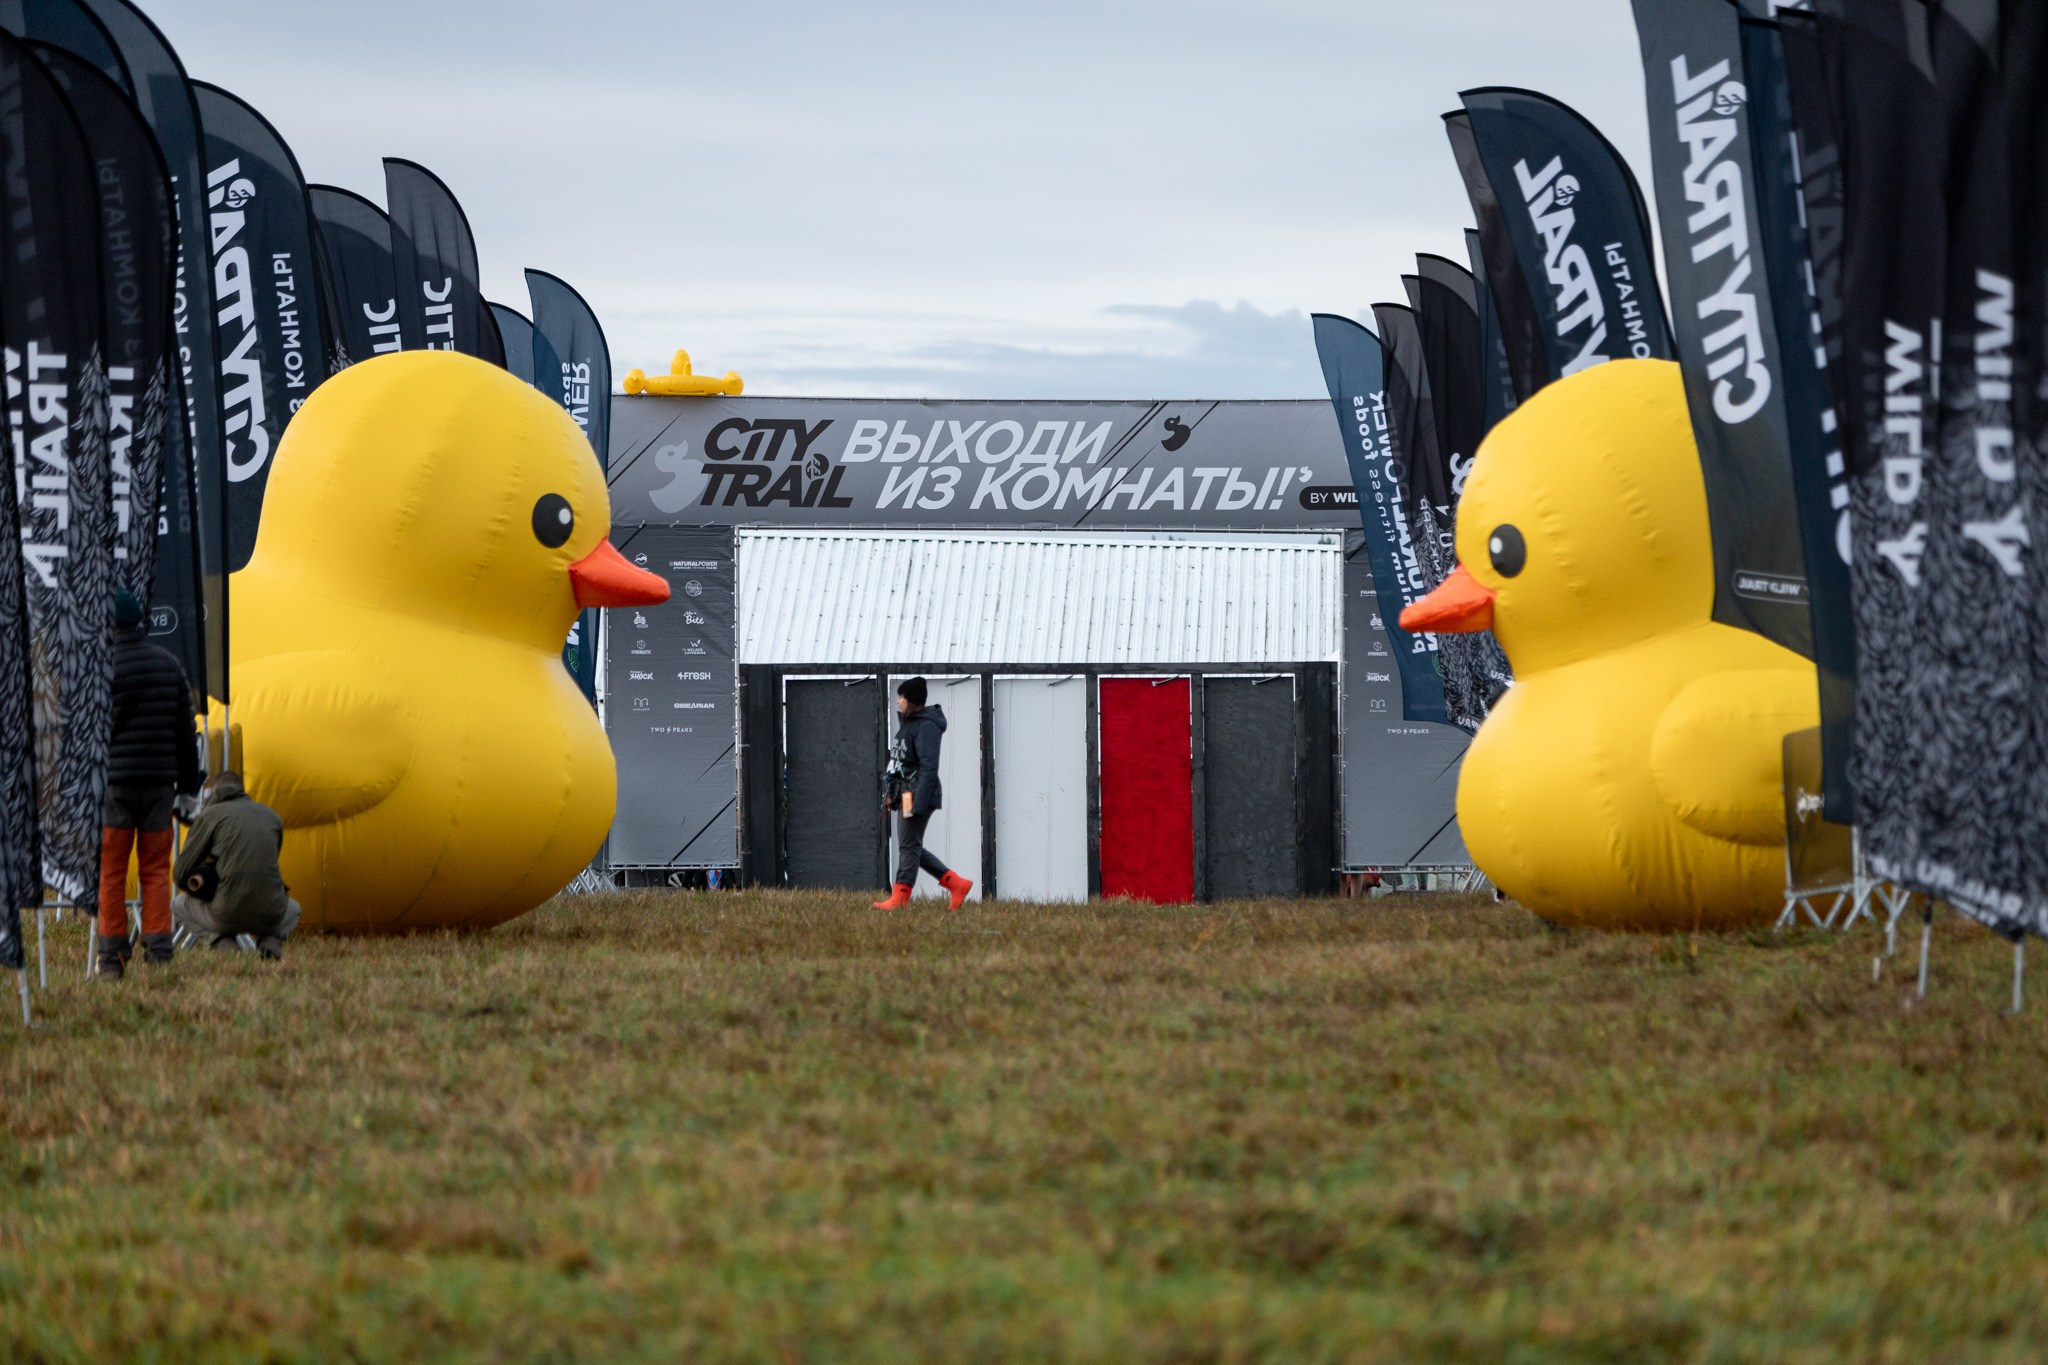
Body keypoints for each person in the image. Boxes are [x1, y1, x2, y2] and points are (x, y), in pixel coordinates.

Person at [96, 590, 201, 980]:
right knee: (156, 868)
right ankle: (159, 951)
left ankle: (111, 958)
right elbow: (186, 734)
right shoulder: (169, 665)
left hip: (115, 788)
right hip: (159, 786)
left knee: (111, 870)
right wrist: (188, 787)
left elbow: (88, 734)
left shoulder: (102, 668)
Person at [170, 771, 301, 959]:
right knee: (294, 909)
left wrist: (206, 877)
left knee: (178, 905)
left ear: (214, 791)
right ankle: (270, 943)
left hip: (225, 913)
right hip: (269, 913)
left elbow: (180, 873)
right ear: (241, 790)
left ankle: (223, 943)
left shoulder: (210, 815)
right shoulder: (272, 816)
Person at [873, 676, 973, 911]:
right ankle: (956, 884)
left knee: (908, 847)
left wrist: (919, 801)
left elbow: (929, 767)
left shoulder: (926, 726)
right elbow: (900, 763)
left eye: (901, 697)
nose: (897, 701)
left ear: (912, 701)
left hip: (917, 793)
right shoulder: (910, 723)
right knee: (911, 846)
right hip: (905, 793)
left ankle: (900, 898)